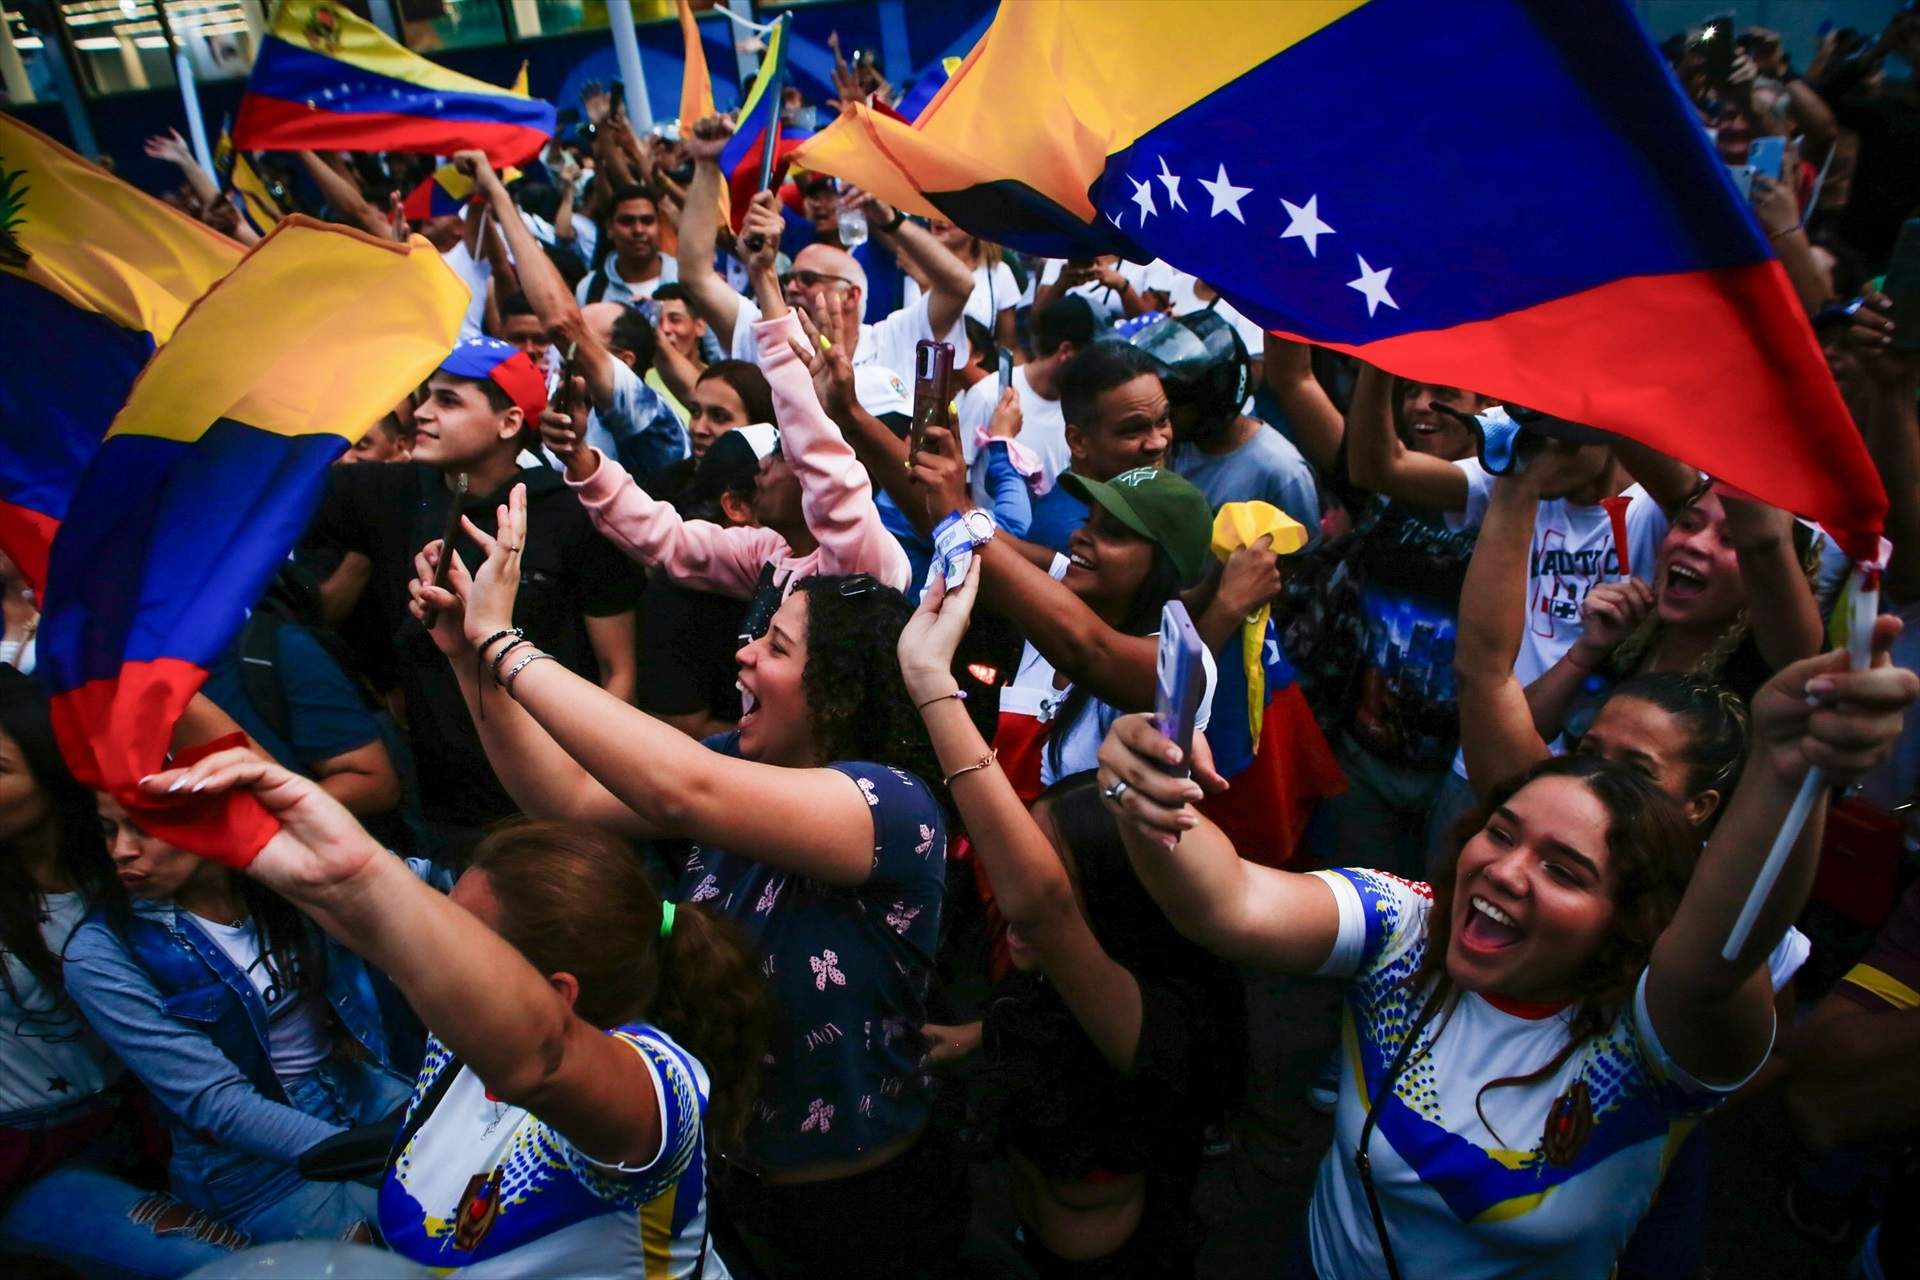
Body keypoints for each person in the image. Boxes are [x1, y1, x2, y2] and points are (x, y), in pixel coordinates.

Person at [1093, 615, 1918, 1279]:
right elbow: (1228, 900)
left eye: (1563, 869)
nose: (1505, 873)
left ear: (1623, 920)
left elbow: (1721, 956)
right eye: (1503, 833)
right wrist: (1140, 780)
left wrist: (1789, 771)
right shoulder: (1407, 930)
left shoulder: (1650, 1040)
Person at [408, 492, 965, 1279]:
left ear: (837, 694)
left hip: (861, 1210)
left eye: (775, 645)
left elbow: (682, 791)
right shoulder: (742, 755)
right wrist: (470, 664)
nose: (743, 651)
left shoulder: (890, 805)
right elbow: (563, 795)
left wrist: (504, 639)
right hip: (729, 1185)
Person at [133, 742, 768, 1277]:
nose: (427, 944)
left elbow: (543, 1058)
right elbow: (358, 905)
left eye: (459, 937)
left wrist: (362, 880)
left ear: (556, 994)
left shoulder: (659, 1088)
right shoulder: (461, 1041)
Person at [903, 563, 1243, 1276]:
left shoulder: (1159, 1021)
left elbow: (1043, 913)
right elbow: (1042, 1003)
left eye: (1052, 878)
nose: (1019, 896)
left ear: (1117, 910)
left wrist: (931, 682)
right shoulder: (1052, 982)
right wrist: (978, 1037)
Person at [303, 338, 639, 851]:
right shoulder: (393, 494)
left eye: (450, 401)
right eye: (427, 396)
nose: (424, 413)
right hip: (437, 820)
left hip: (553, 814)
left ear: (508, 423)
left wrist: (584, 788)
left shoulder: (567, 513)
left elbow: (619, 671)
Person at [63, 786, 421, 1244]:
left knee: (476, 1198)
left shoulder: (274, 879)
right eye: (108, 830)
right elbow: (217, 1104)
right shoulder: (100, 953)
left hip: (353, 1084)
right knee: (411, 1239)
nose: (121, 851)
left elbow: (418, 889)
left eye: (145, 827)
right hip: (252, 1164)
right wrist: (384, 1156)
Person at [0, 672, 248, 1275]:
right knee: (203, 1260)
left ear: (51, 767)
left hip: (166, 1125)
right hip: (30, 1155)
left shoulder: (133, 868)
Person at [1265, 337, 1492, 874]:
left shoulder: (1516, 498)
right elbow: (1293, 378)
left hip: (1459, 769)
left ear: (1489, 408)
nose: (1418, 405)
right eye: (1409, 388)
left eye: (1443, 392)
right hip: (1364, 763)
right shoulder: (1373, 473)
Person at [1456, 470, 1823, 797]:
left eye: (1731, 540)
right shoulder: (1631, 641)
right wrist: (1586, 651)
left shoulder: (1768, 670)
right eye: (1689, 524)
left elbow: (1767, 546)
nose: (1694, 544)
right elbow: (1503, 736)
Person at [542, 294, 911, 614]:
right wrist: (578, 456)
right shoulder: (770, 554)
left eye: (782, 454)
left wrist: (791, 362)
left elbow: (823, 463)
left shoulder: (862, 557)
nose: (762, 465)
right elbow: (668, 540)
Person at [676, 116, 975, 391]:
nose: (791, 287)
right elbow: (696, 277)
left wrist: (891, 221)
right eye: (790, 278)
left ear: (852, 295)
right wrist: (706, 164)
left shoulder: (892, 340)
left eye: (808, 279)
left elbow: (959, 285)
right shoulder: (766, 335)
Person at [458, 153, 689, 489]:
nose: (561, 349)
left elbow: (561, 323)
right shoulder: (580, 416)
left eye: (583, 343)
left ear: (624, 362)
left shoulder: (651, 418)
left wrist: (497, 192)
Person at [1144, 311, 1320, 536]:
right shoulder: (1172, 445)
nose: (1163, 415)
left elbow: (1300, 558)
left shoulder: (1282, 472)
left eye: (1174, 403)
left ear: (1210, 403)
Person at [954, 295, 1097, 499]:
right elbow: (957, 475)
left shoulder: (1082, 405)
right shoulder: (990, 394)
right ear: (1065, 350)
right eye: (1087, 354)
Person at [574, 185, 678, 307]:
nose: (638, 230)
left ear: (659, 226)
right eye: (627, 221)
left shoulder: (685, 279)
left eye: (647, 221)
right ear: (609, 228)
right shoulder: (590, 288)